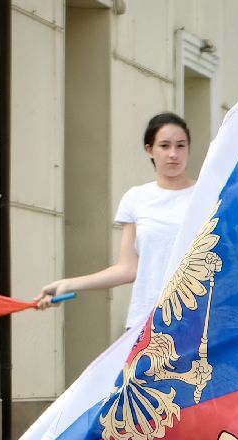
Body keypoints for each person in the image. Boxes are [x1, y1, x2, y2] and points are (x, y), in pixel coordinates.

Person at [33, 113, 196, 330]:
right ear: (149, 149)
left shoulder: (208, 194)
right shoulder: (136, 198)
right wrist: (68, 284)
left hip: (199, 321)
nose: (173, 154)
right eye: (164, 146)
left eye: (180, 146)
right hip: (146, 323)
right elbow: (128, 268)